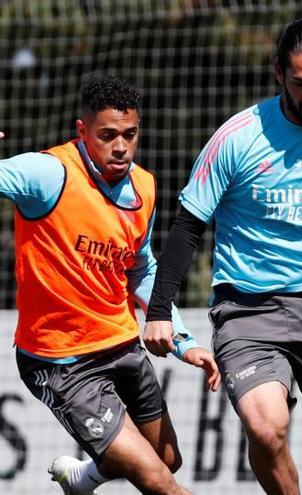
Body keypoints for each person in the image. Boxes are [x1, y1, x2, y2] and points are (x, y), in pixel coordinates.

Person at [143, 18, 302, 495]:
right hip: (247, 308)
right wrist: (159, 310)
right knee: (266, 428)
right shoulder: (237, 137)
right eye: (300, 83)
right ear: (278, 72)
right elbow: (187, 225)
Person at [0, 75, 220, 495]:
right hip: (61, 361)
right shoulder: (48, 174)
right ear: (83, 132)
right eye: (107, 136)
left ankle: (83, 479)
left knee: (167, 460)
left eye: (129, 135)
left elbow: (141, 268)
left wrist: (182, 338)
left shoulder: (145, 187)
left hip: (121, 344)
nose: (120, 147)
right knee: (160, 482)